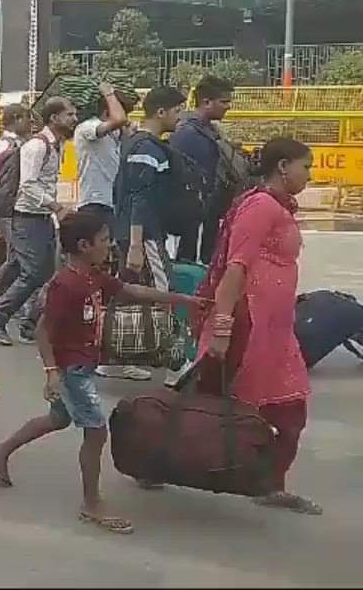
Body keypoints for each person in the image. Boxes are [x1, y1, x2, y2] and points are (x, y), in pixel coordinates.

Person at [0, 211, 204, 535]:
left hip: (81, 365)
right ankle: (91, 503)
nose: (109, 245)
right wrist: (52, 373)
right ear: (84, 245)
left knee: (58, 418)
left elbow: (132, 291)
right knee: (95, 431)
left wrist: (183, 300)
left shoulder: (92, 276)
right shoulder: (65, 284)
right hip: (73, 370)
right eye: (104, 240)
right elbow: (43, 331)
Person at [192, 138, 321, 515]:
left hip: (276, 332)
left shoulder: (278, 206)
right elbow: (235, 268)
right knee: (212, 407)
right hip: (249, 328)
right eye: (306, 166)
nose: (309, 175)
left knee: (289, 413)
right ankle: (157, 458)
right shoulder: (260, 206)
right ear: (283, 166)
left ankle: (269, 486)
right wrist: (221, 329)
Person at [0, 97, 78, 346]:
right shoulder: (37, 146)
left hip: (41, 216)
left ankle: (29, 324)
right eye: (69, 115)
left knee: (43, 272)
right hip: (28, 217)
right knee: (35, 272)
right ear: (54, 118)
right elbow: (28, 185)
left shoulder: (57, 145)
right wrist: (56, 206)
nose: (74, 119)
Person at [109, 86, 189, 384]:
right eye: (178, 110)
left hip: (135, 232)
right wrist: (136, 243)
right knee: (164, 292)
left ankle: (114, 357)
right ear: (161, 112)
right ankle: (176, 364)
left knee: (128, 294)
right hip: (145, 235)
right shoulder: (147, 149)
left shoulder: (137, 143)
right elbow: (138, 198)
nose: (181, 117)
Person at [72, 82, 150, 382]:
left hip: (110, 208)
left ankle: (103, 353)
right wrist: (108, 91)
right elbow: (118, 119)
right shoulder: (87, 129)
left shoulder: (113, 136)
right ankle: (101, 355)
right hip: (95, 207)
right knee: (100, 283)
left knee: (106, 284)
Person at [170, 75, 234, 264]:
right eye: (224, 102)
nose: (228, 106)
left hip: (207, 214)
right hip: (192, 216)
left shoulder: (209, 131)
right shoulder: (188, 133)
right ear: (206, 102)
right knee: (190, 265)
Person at [0, 103, 31, 274]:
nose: (30, 124)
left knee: (9, 247)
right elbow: (3, 181)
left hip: (2, 204)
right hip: (7, 206)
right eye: (28, 119)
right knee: (17, 253)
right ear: (17, 119)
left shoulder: (2, 145)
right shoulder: (9, 147)